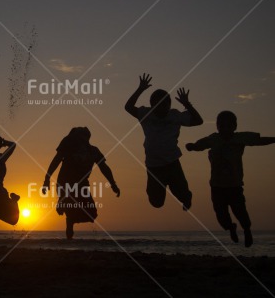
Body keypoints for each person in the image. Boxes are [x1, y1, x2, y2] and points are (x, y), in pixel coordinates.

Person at [186, 111, 275, 247]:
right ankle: (231, 228)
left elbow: (259, 140)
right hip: (217, 187)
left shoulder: (241, 138)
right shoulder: (214, 139)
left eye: (228, 126)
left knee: (240, 212)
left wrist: (274, 139)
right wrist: (193, 146)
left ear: (234, 127)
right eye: (221, 126)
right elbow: (201, 145)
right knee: (221, 217)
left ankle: (246, 230)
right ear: (217, 126)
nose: (225, 129)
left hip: (234, 186)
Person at [125, 73, 203, 211]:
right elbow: (128, 107)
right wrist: (140, 89)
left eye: (164, 104)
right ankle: (164, 186)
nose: (161, 107)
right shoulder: (146, 114)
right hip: (154, 166)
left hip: (172, 163)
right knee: (156, 203)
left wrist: (187, 104)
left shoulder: (175, 115)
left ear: (169, 105)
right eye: (158, 105)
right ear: (153, 105)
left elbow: (198, 121)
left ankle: (185, 195)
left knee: (183, 196)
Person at [42, 127, 120, 239]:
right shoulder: (68, 147)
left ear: (87, 137)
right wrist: (46, 180)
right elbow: (56, 161)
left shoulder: (93, 151)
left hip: (82, 184)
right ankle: (69, 229)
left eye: (83, 136)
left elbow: (104, 168)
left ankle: (70, 217)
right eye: (77, 136)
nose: (80, 139)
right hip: (65, 183)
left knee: (92, 214)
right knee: (70, 211)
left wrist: (113, 184)